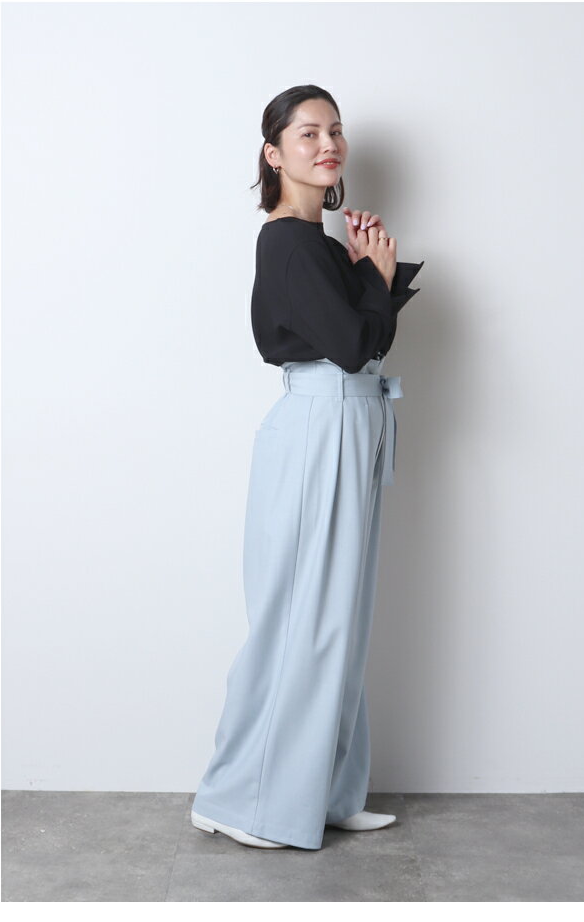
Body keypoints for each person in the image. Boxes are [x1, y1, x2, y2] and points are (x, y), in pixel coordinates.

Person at [191, 85, 424, 850]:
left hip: (349, 422)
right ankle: (238, 800)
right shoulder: (288, 241)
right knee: (303, 619)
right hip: (322, 425)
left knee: (340, 619)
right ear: (274, 153)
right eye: (308, 133)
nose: (328, 145)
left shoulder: (317, 243)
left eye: (336, 131)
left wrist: (366, 272)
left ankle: (325, 791)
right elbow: (355, 346)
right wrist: (375, 279)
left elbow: (362, 340)